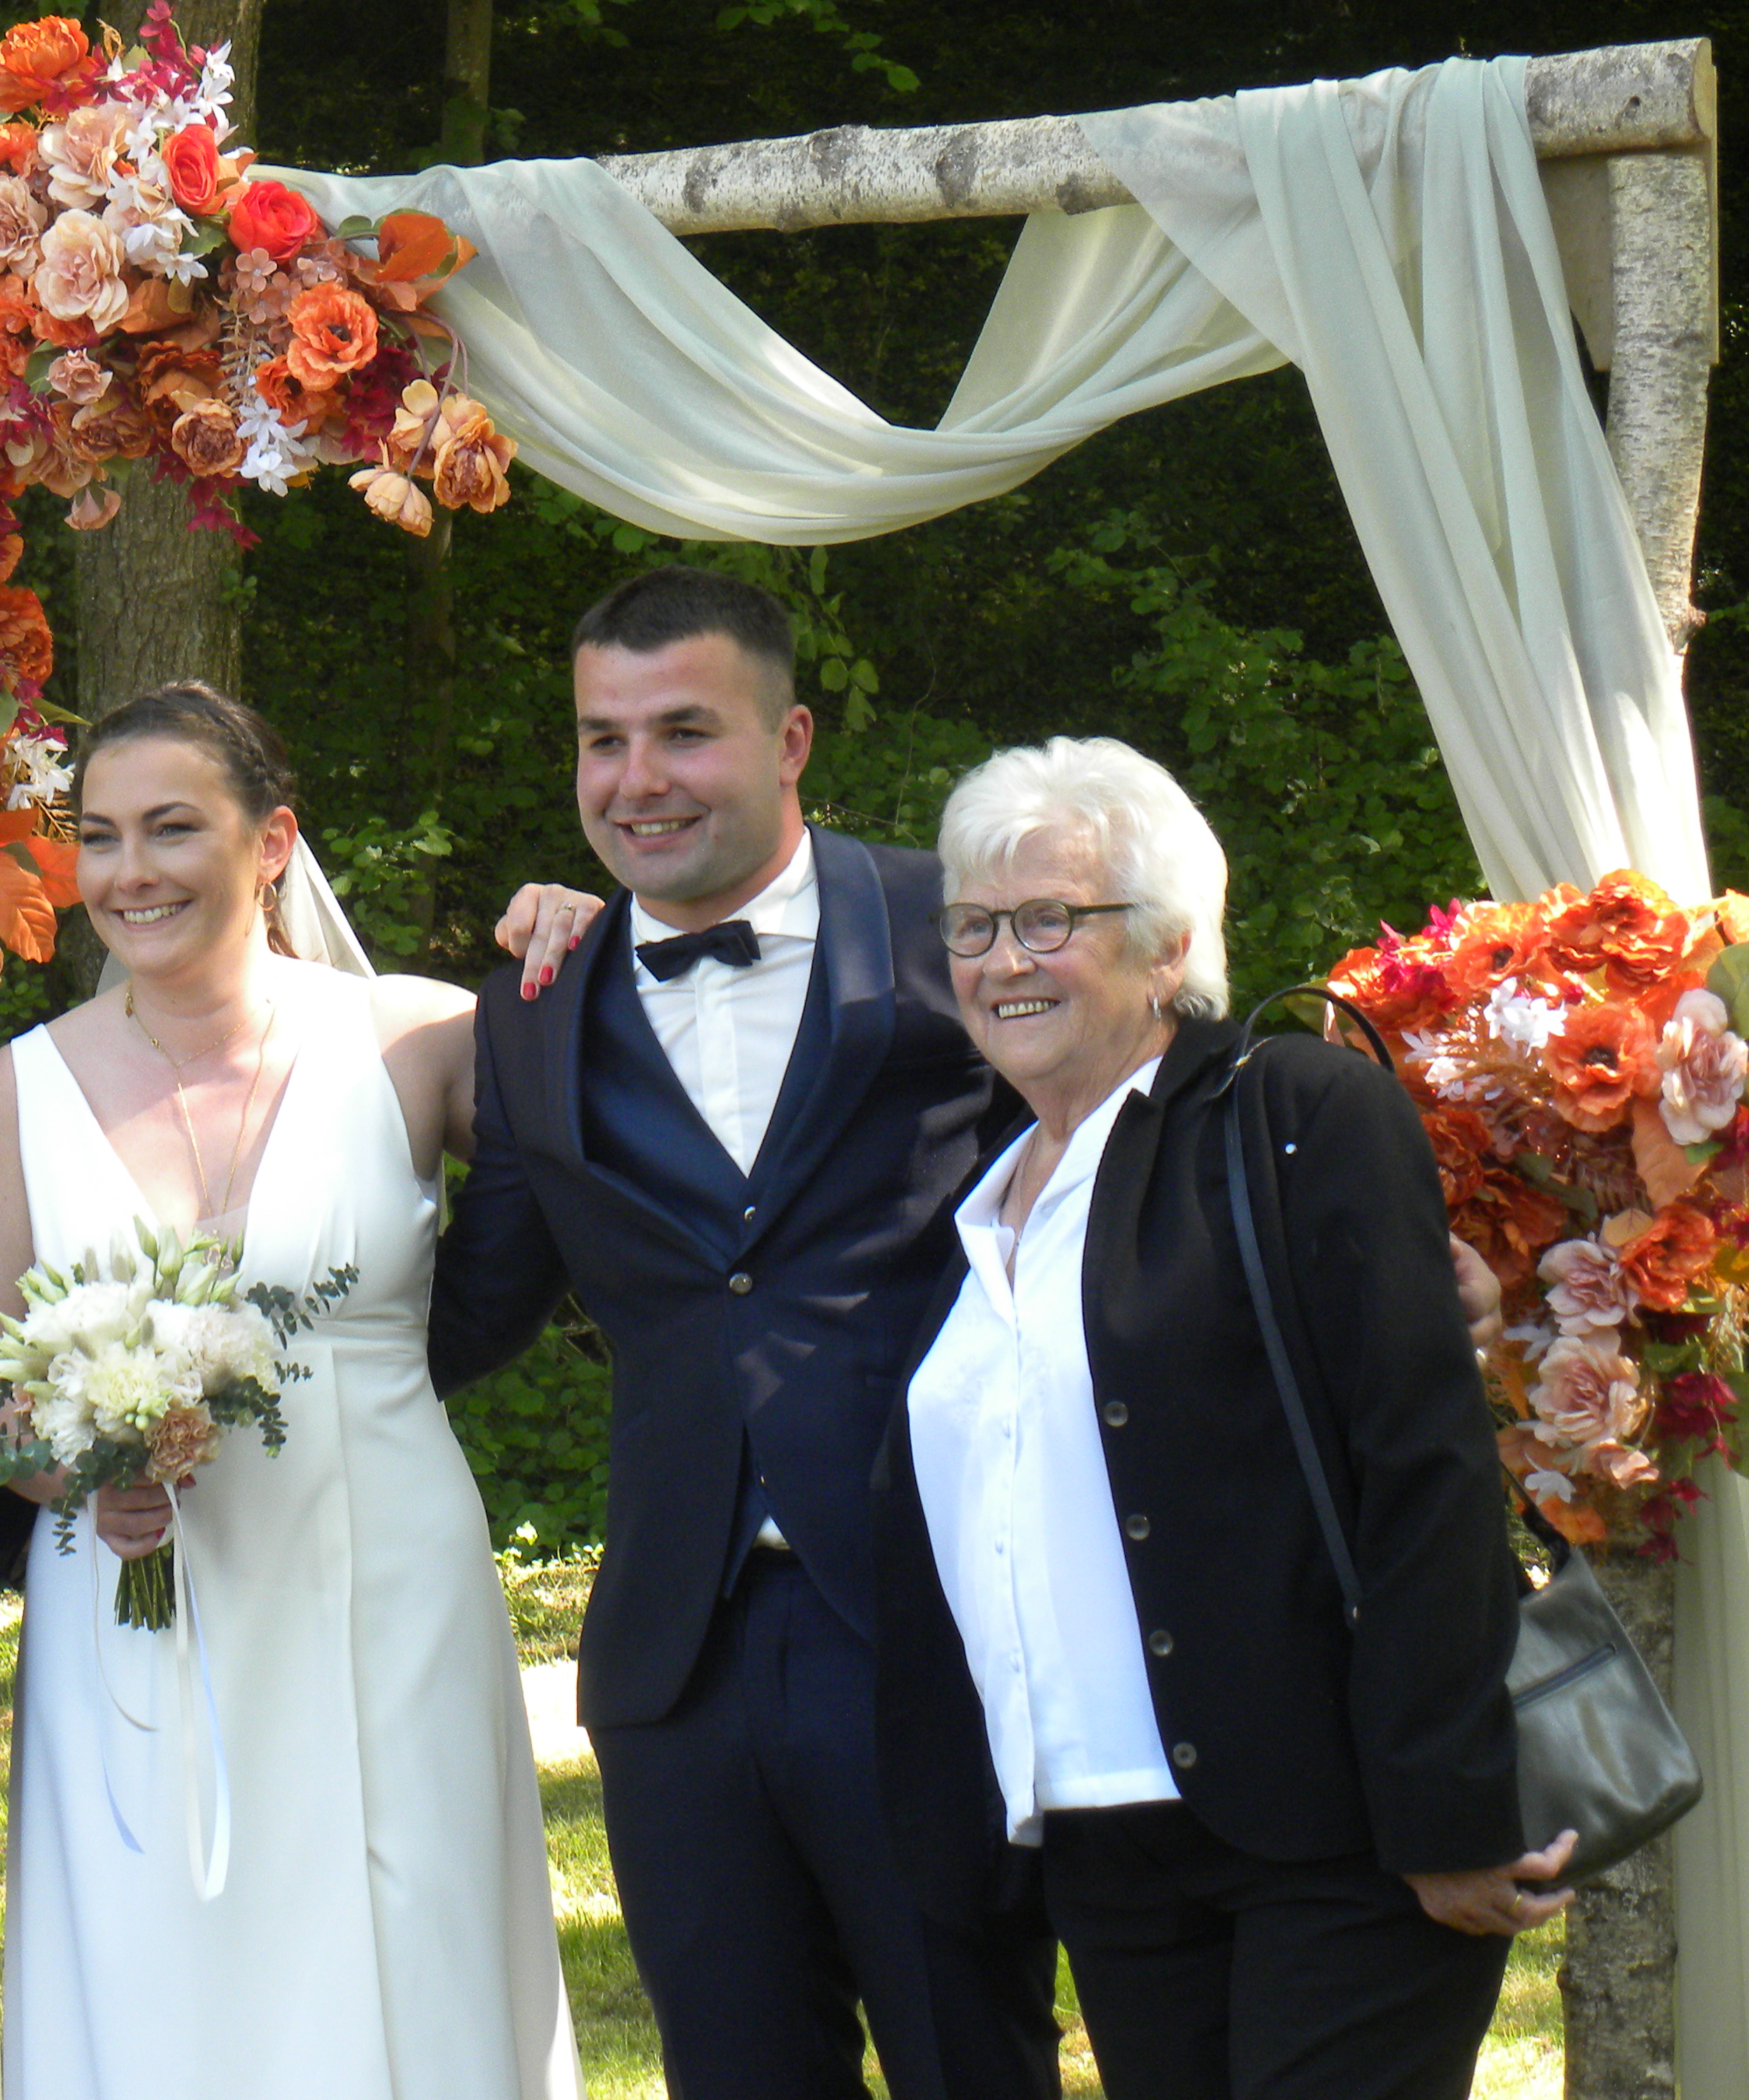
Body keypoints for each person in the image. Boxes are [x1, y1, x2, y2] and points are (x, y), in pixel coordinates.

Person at [428, 566, 1059, 2100]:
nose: (635, 778)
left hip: (927, 1617)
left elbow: (1129, 1153)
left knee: (970, 2059)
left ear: (790, 741)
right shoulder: (534, 1002)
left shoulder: (955, 926)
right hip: (674, 1655)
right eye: (603, 740)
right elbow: (472, 1307)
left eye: (684, 732)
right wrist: (232, 1357)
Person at [871, 736, 1568, 2100]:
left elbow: (1421, 1460)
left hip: (1334, 1833)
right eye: (972, 926)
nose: (1002, 960)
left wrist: (1443, 1806)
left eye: (1049, 920)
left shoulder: (1293, 1110)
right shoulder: (979, 1195)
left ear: (1169, 945)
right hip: (1102, 1845)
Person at [0, 682, 580, 2100]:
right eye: (99, 836)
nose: (131, 871)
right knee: (163, 1967)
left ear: (271, 842)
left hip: (388, 1584)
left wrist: (579, 951)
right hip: (137, 1603)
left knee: (411, 1934)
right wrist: (80, 1468)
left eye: (173, 827)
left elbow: (621, 1125)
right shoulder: (17, 1095)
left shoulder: (412, 1037)